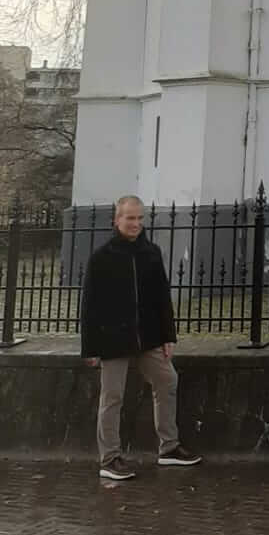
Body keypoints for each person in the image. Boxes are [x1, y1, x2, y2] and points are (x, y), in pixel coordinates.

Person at [81, 195, 202, 481]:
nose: (135, 223)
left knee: (167, 380)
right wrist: (91, 348)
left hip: (148, 338)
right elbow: (89, 306)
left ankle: (169, 448)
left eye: (139, 218)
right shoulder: (101, 257)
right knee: (112, 398)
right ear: (117, 220)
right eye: (130, 218)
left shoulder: (151, 253)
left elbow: (162, 297)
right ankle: (109, 459)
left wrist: (168, 336)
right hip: (112, 341)